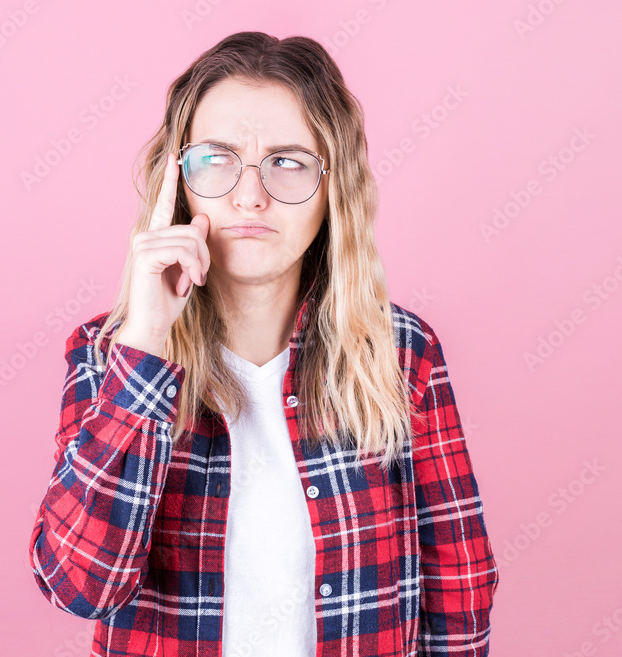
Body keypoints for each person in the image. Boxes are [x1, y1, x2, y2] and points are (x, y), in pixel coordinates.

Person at [28, 31, 499, 657]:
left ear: (335, 188)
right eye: (217, 159)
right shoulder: (107, 354)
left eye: (287, 161)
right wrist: (144, 346)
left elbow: (460, 577)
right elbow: (80, 584)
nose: (249, 196)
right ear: (178, 180)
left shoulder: (401, 350)